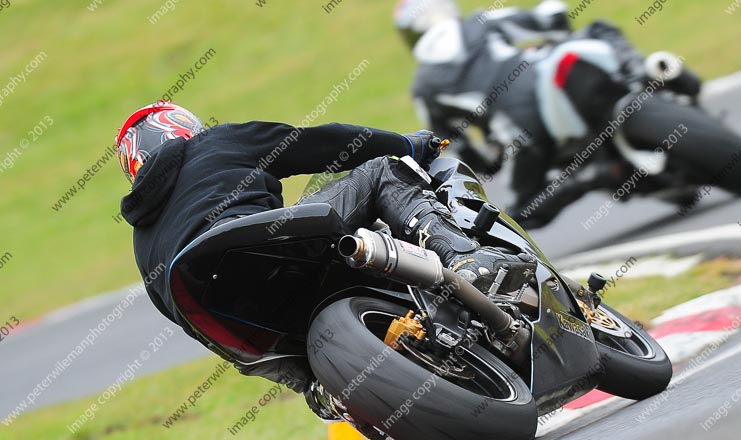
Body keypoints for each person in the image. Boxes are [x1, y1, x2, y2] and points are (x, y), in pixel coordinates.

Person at [116, 101, 529, 404]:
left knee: (312, 378)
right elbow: (323, 144)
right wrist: (409, 145)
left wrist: (301, 379)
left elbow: (181, 315)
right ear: (180, 127)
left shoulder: (142, 238)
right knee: (382, 169)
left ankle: (325, 393)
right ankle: (461, 259)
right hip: (270, 246)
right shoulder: (213, 142)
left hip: (226, 308)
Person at [395, 0, 572, 225]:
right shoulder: (482, 20)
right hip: (550, 84)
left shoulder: (423, 87)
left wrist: (488, 161)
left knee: (517, 215)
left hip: (520, 131)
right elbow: (549, 18)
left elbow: (450, 146)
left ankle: (591, 179)